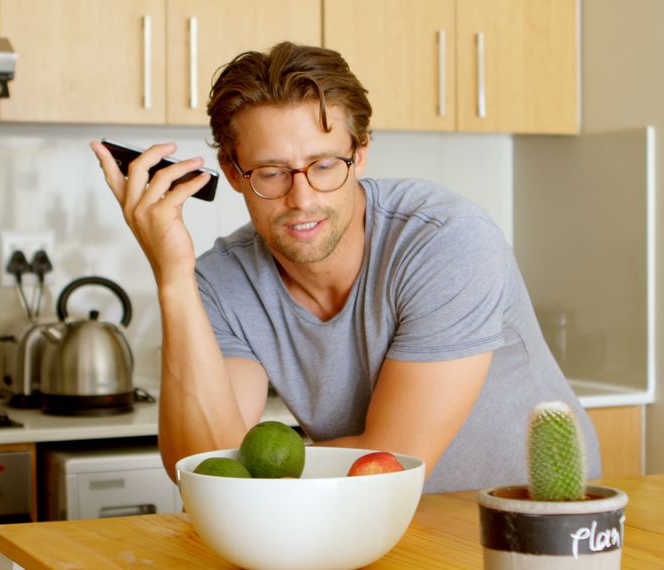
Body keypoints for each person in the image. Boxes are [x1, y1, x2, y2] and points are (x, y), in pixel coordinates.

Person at [90, 42, 599, 493]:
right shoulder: (222, 283)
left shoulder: (446, 240)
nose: (302, 198)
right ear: (233, 173)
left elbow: (393, 461)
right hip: (365, 530)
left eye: (325, 165)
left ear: (361, 155)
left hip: (524, 516)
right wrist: (173, 278)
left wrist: (248, 485)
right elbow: (207, 470)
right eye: (271, 172)